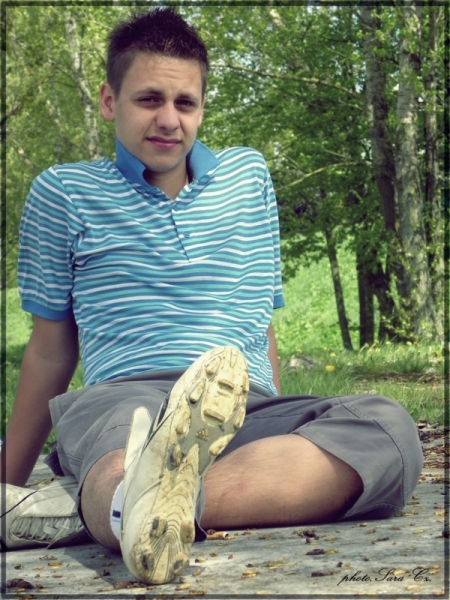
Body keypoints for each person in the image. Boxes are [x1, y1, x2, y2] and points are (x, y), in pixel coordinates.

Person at [1, 7, 423, 586]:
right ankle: (128, 499)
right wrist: (8, 483)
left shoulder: (248, 178)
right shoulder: (64, 193)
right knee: (120, 462)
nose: (169, 120)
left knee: (389, 430)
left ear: (202, 107)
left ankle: (118, 512)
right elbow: (50, 351)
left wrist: (277, 423)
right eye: (149, 99)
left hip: (242, 407)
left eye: (185, 103)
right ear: (109, 101)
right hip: (127, 398)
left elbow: (259, 321)